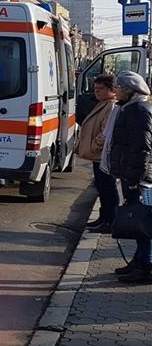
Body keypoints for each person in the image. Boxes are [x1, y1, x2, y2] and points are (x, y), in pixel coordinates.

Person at [107, 71, 152, 283]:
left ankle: (145, 267)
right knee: (138, 223)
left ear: (130, 90)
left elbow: (142, 148)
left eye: (119, 88)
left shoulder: (139, 111)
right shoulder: (131, 108)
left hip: (139, 179)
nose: (115, 91)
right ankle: (138, 261)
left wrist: (134, 178)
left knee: (143, 223)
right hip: (132, 175)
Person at [77, 74, 118, 233]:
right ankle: (104, 218)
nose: (97, 92)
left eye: (101, 89)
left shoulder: (111, 106)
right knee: (101, 187)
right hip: (98, 156)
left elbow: (106, 131)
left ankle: (110, 220)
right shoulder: (103, 103)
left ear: (111, 90)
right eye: (95, 89)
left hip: (102, 155)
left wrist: (94, 146)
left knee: (107, 187)